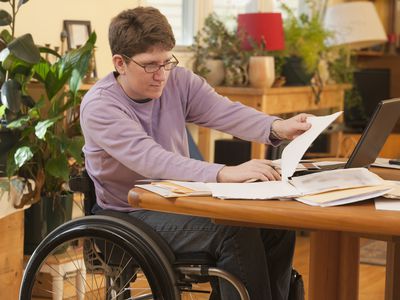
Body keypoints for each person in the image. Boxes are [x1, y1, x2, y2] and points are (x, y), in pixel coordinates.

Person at [80, 6, 311, 300]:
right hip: (130, 214)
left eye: (167, 62)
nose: (161, 74)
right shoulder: (101, 107)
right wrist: (225, 173)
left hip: (176, 200)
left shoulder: (177, 81)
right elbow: (153, 159)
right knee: (234, 232)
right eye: (151, 65)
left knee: (276, 225)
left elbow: (224, 111)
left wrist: (278, 127)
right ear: (120, 63)